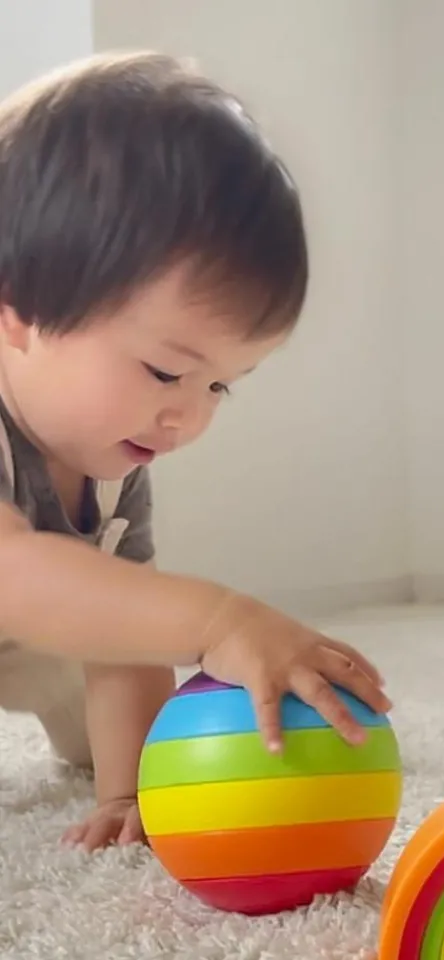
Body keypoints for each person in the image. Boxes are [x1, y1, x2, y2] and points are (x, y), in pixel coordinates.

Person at [0, 51, 390, 851]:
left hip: (36, 632)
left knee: (115, 665)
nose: (188, 416)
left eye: (220, 386)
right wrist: (216, 619)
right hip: (23, 597)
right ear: (20, 314)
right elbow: (19, 581)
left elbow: (121, 630)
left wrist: (131, 791)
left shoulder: (111, 457)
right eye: (166, 372)